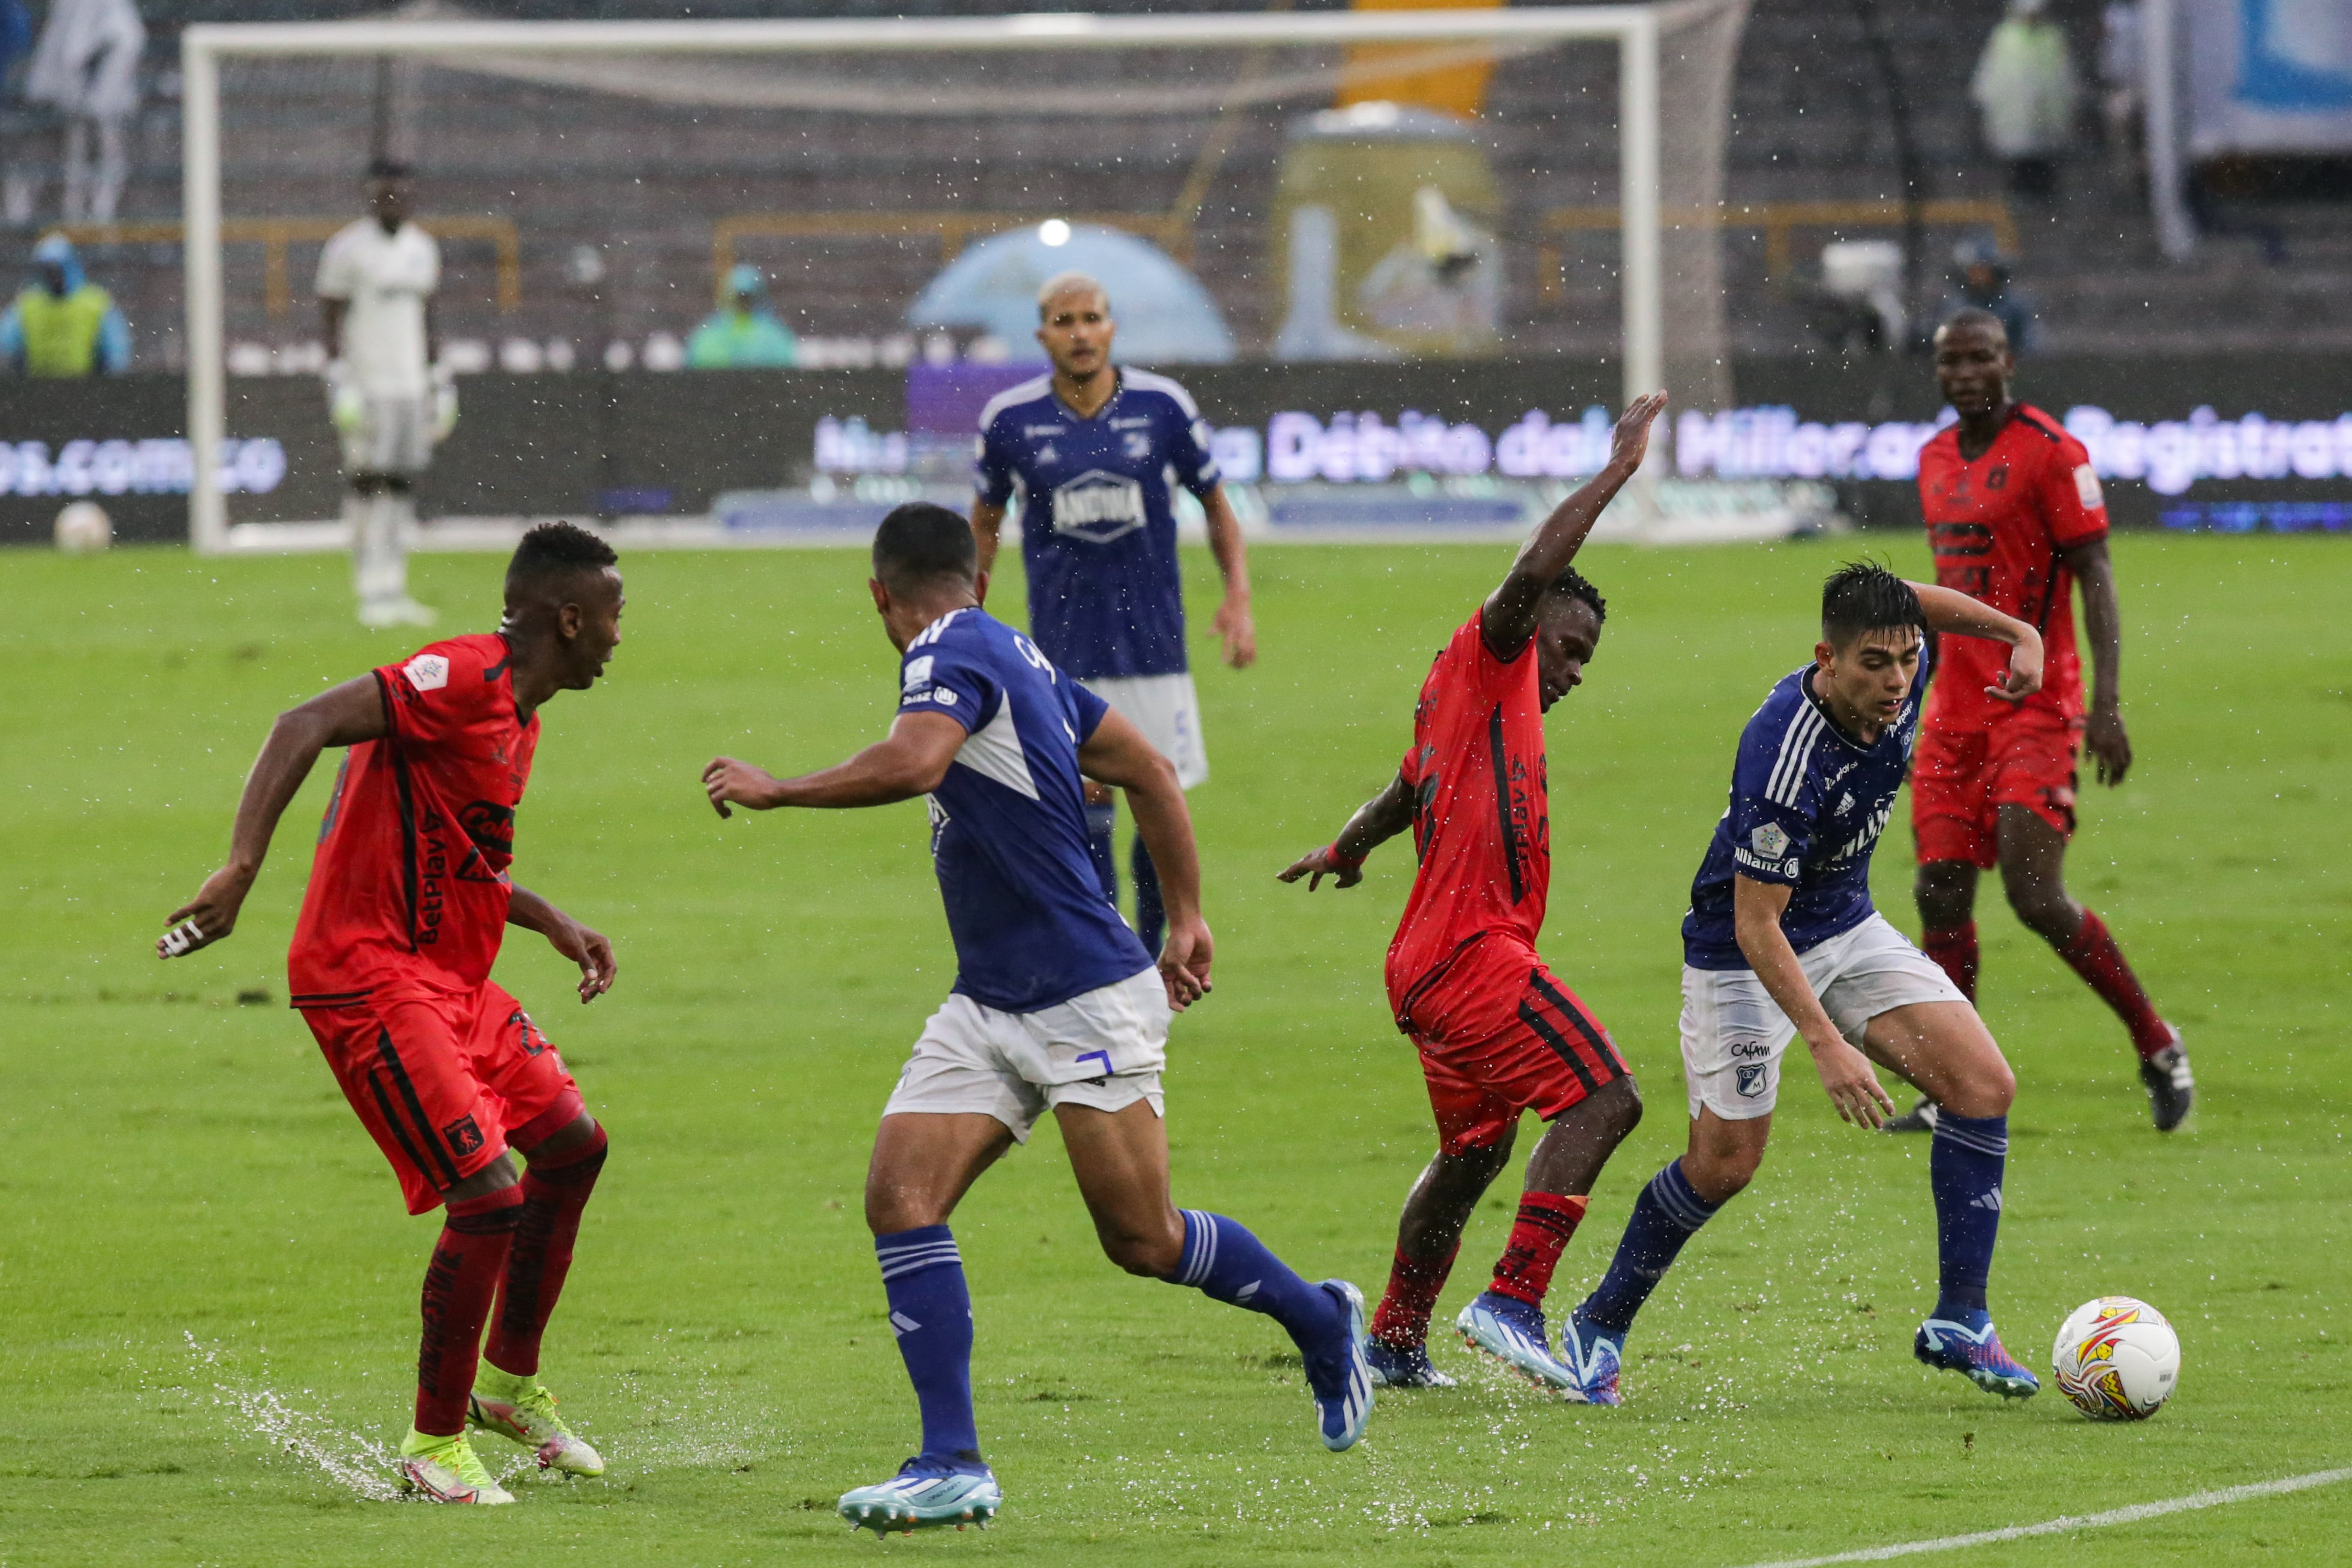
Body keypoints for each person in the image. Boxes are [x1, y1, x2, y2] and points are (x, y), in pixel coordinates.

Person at [700, 502, 1370, 1536]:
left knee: (1141, 1241)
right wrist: (1184, 915)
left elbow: (919, 762)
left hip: (1081, 997)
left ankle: (1320, 1319)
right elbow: (1147, 766)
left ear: (879, 593)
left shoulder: (945, 650)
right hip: (989, 1002)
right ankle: (950, 1462)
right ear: (973, 570)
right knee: (899, 1195)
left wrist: (779, 788)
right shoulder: (1016, 651)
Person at [157, 522, 627, 1504]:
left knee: (574, 1146)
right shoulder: (460, 677)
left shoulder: (521, 723)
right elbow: (303, 721)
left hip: (452, 983)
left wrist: (549, 920)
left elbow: (464, 856)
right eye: (614, 615)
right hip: (368, 979)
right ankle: (431, 1445)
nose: (622, 636)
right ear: (570, 618)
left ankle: (506, 1388)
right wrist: (241, 869)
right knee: (488, 1195)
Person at [1561, 564, 2047, 1406]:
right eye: (1873, 663)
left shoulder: (1900, 658)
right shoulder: (1784, 751)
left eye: (1904, 658)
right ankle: (1596, 1322)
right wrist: (1826, 1042)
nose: (1896, 679)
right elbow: (1756, 924)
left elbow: (1909, 600)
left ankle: (1959, 1319)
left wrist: (2018, 634)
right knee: (1724, 1163)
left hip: (1845, 924)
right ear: (1826, 657)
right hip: (1741, 951)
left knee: (1981, 1085)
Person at [1277, 393, 1666, 1395]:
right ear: (1524, 626)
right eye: (1568, 649)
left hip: (1424, 966)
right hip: (1471, 954)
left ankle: (1395, 1342)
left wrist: (1346, 846)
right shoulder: (1487, 660)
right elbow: (1532, 569)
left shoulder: (1468, 709)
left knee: (1473, 1153)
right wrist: (1617, 472)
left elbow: (1408, 786)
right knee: (1603, 1099)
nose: (1575, 673)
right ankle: (1511, 1300)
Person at [1896, 309, 2189, 1134]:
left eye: (1978, 358)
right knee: (1938, 890)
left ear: (2007, 362)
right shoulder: (1931, 458)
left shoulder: (2054, 452)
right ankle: (1951, 1084)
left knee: (2033, 893)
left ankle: (2157, 1043)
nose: (1963, 374)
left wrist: (2106, 701)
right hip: (1953, 711)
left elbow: (2094, 574)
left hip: (2036, 702)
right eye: (1949, 361)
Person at [969, 271, 1255, 958]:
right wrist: (966, 615)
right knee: (1086, 813)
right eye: (1063, 321)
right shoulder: (1010, 421)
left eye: (1090, 318)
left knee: (1157, 811)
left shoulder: (1162, 407)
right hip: (1065, 657)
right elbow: (984, 520)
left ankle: (1158, 952)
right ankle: (1106, 960)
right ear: (1041, 334)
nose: (1079, 333)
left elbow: (1216, 504)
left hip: (1155, 652)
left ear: (1111, 328)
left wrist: (1237, 595)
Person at [318, 157, 453, 630]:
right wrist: (339, 379)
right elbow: (330, 317)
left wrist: (440, 379)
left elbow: (428, 317)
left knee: (402, 484)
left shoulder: (422, 248)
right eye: (384, 193)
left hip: (410, 386)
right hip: (368, 384)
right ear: (370, 196)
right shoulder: (347, 250)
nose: (393, 201)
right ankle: (367, 587)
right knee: (366, 481)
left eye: (401, 193)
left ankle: (393, 584)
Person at [1970, 0, 2079, 200]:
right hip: (2015, 110)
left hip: (2046, 109)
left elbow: (2065, 73)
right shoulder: (2004, 36)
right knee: (2019, 157)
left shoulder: (2052, 36)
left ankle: (2041, 191)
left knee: (2042, 157)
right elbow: (1991, 72)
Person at [0, 231, 128, 375]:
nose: (53, 276)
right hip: (37, 389)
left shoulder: (95, 303)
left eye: (56, 269)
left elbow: (116, 353)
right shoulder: (28, 304)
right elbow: (6, 345)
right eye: (47, 270)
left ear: (68, 266)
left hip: (85, 390)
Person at [687, 263, 799, 368]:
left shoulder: (773, 334)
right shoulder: (711, 334)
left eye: (746, 298)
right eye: (740, 298)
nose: (743, 303)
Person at [1936, 236, 2037, 354]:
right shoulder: (1955, 305)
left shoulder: (2014, 306)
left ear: (1995, 271)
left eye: (1984, 270)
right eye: (1974, 270)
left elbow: (2030, 342)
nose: (1979, 276)